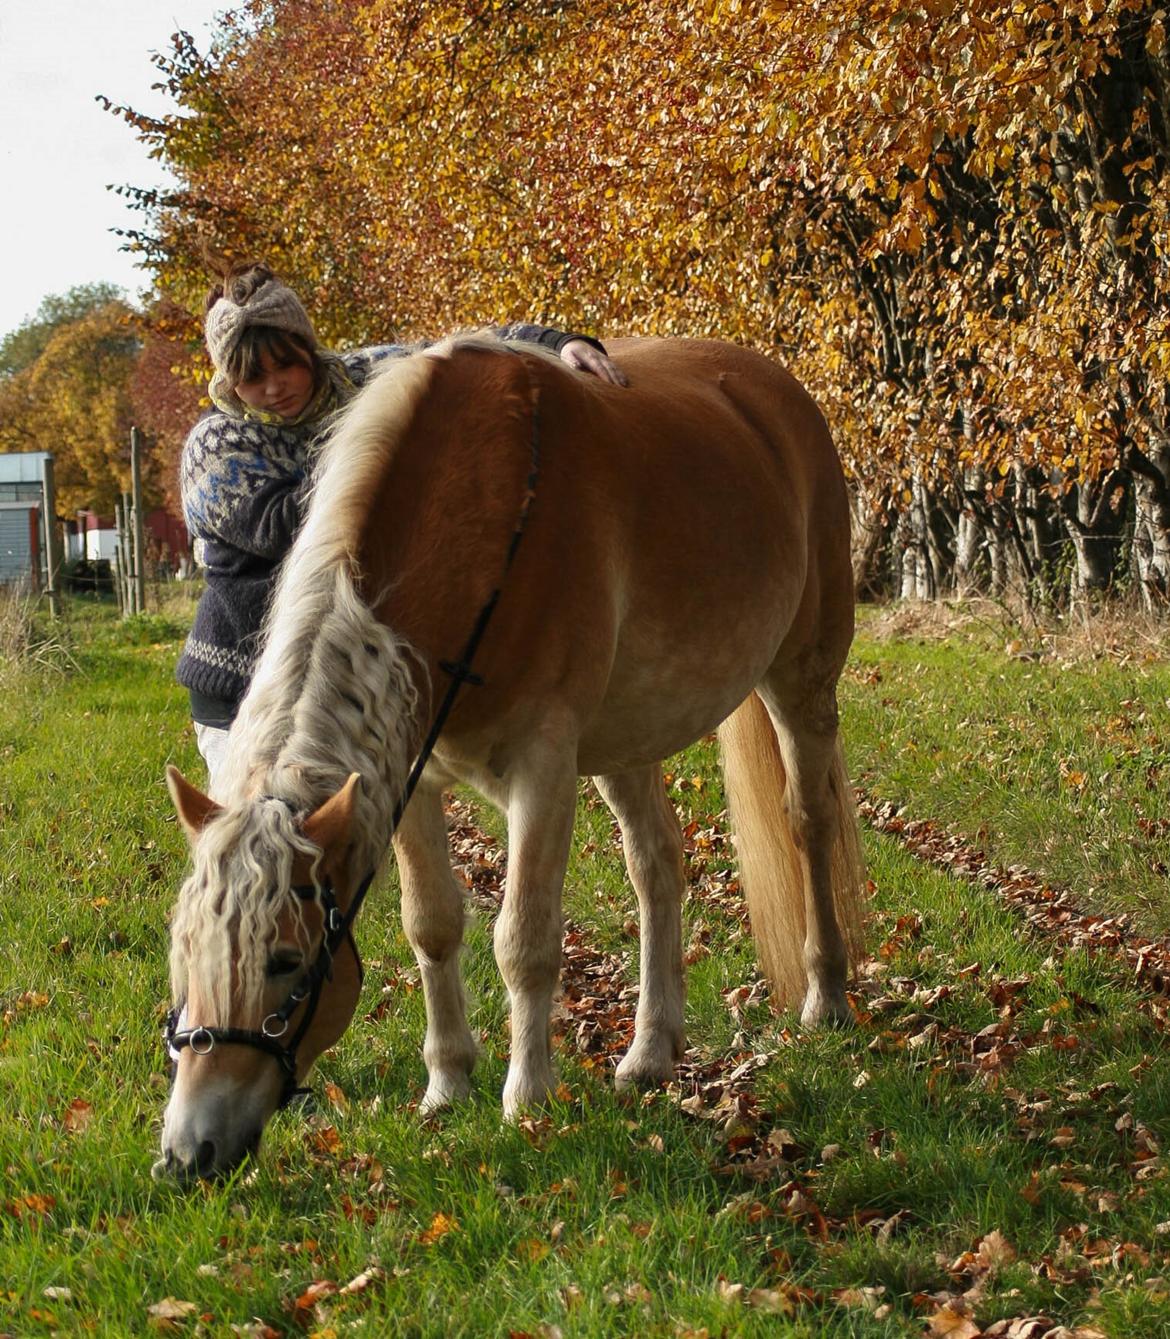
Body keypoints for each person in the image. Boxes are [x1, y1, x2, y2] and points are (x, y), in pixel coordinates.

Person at [176, 263, 627, 792]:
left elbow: (463, 353)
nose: (275, 388)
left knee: (335, 839)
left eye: (286, 365)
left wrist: (557, 344)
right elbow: (289, 528)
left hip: (337, 679)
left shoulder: (362, 378)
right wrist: (407, 467)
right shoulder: (214, 447)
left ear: (307, 349)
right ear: (229, 381)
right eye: (253, 378)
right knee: (255, 835)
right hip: (241, 684)